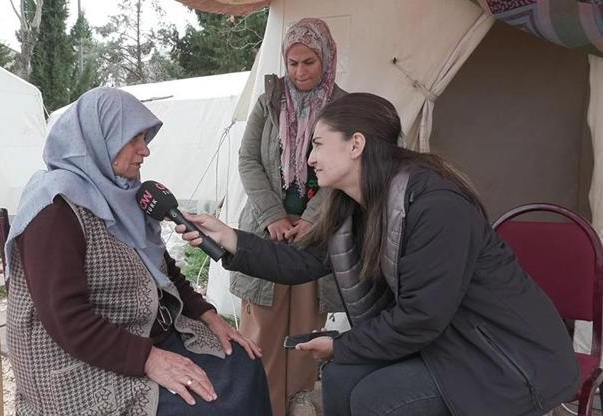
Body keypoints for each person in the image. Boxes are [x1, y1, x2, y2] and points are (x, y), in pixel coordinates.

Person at [176, 93, 580, 416]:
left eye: (317, 144)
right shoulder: (353, 206)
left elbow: (422, 317)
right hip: (444, 343)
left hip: (501, 357)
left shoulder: (435, 205)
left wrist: (341, 344)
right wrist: (229, 238)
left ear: (356, 144)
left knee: (377, 398)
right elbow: (302, 261)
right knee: (339, 380)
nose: (309, 157)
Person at [4, 87, 272, 416]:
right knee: (208, 408)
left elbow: (163, 268)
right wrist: (148, 359)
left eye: (145, 138)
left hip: (145, 330)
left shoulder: (126, 192)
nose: (145, 150)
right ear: (99, 137)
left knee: (243, 363)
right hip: (76, 357)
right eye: (133, 138)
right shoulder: (53, 209)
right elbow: (66, 318)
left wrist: (208, 314)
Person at [234, 17, 348, 416]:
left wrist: (313, 219)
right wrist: (272, 216)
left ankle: (299, 405)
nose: (300, 72)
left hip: (314, 238)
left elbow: (346, 170)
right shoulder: (270, 101)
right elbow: (249, 160)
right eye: (293, 62)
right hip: (269, 234)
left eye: (309, 62)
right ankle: (260, 407)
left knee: (304, 332)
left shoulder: (344, 109)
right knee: (261, 329)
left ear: (327, 59)